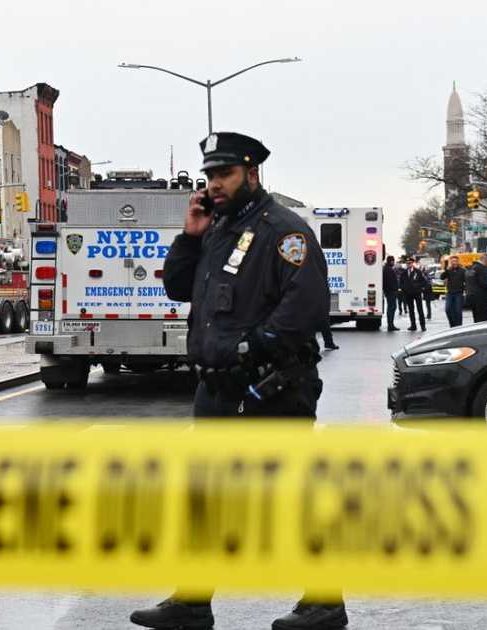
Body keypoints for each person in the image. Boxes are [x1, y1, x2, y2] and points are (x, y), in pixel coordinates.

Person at [138, 131, 346, 630]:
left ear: (252, 173)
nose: (215, 184)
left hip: (270, 390)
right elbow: (177, 287)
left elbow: (305, 307)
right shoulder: (216, 229)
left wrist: (253, 348)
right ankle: (192, 602)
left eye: (225, 174)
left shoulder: (284, 232)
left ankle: (325, 602)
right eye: (210, 175)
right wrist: (190, 236)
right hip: (217, 391)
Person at [401, 257, 428, 332]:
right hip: (408, 294)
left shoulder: (418, 271)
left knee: (420, 310)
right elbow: (401, 282)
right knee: (411, 310)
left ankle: (423, 326)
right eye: (407, 263)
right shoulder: (404, 273)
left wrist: (419, 287)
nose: (408, 264)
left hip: (417, 293)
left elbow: (424, 282)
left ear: (413, 263)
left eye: (410, 263)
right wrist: (404, 289)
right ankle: (413, 325)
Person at [466, 254, 487, 323]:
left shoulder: (472, 267)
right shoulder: (481, 268)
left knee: (476, 317)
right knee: (482, 318)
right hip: (481, 296)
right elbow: (483, 283)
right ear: (485, 260)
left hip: (472, 295)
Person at [440, 256, 465, 327]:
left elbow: (466, 280)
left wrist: (465, 290)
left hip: (459, 293)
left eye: (456, 261)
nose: (454, 263)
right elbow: (442, 277)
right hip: (450, 293)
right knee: (447, 309)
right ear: (451, 262)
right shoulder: (449, 270)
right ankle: (452, 325)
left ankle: (459, 326)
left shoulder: (462, 270)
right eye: (453, 261)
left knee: (458, 311)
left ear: (458, 262)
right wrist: (446, 270)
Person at [382, 255, 400, 331]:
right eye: (393, 261)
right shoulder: (388, 269)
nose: (394, 262)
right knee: (392, 308)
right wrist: (395, 289)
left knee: (391, 307)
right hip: (391, 292)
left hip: (389, 291)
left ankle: (391, 324)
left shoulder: (386, 268)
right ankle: (390, 325)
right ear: (391, 261)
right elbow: (390, 282)